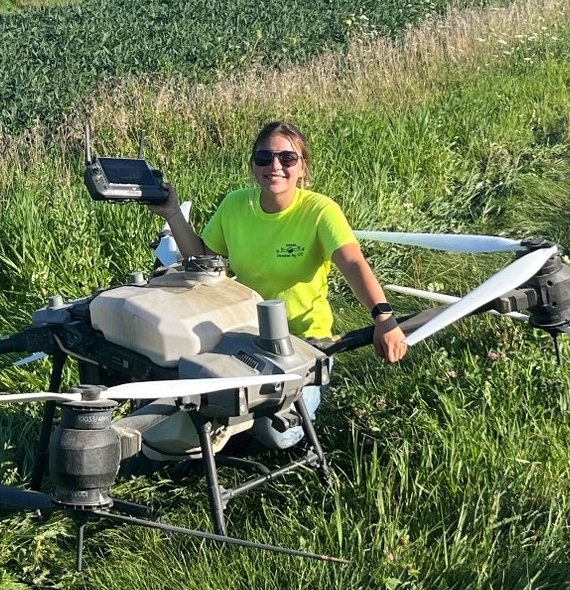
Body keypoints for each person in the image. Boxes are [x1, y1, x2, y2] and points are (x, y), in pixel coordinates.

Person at [150, 120, 407, 446]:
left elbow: (353, 262)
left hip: (306, 344)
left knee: (277, 435)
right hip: (245, 340)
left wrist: (383, 316)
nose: (275, 166)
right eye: (264, 158)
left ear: (303, 167)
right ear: (253, 165)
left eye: (287, 159)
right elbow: (202, 257)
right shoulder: (235, 205)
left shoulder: (320, 211)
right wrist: (173, 214)